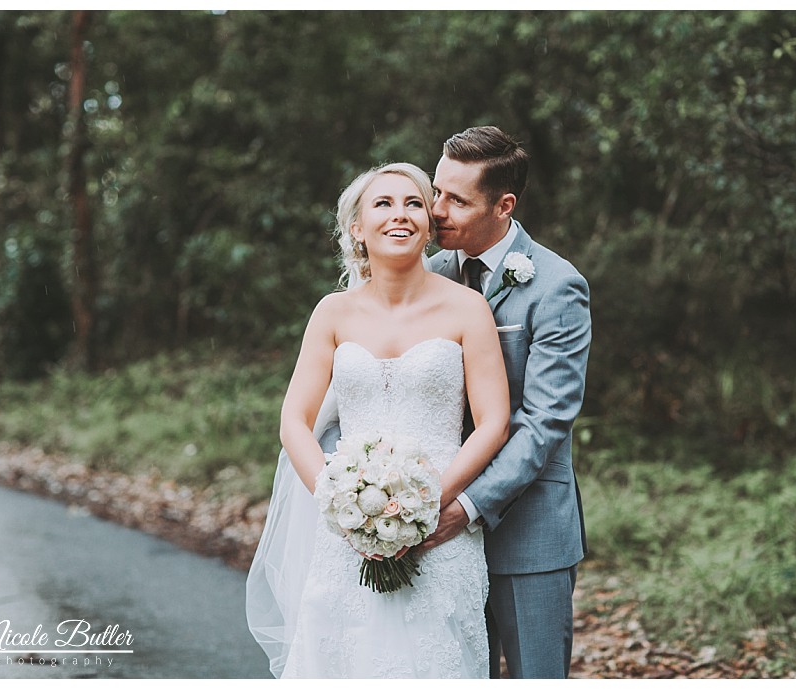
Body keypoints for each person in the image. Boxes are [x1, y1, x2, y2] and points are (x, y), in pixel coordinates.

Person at [245, 162, 510, 678]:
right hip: (347, 534)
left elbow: (494, 422)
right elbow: (294, 421)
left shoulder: (468, 309)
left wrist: (427, 505)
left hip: (440, 530)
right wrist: (340, 505)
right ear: (357, 228)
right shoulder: (332, 313)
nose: (400, 215)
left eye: (413, 204)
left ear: (429, 226)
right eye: (383, 204)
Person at [423, 125, 592, 679]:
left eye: (457, 200)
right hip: (433, 533)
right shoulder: (428, 276)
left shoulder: (556, 285)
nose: (436, 210)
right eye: (436, 191)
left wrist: (464, 508)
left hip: (528, 531)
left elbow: (544, 423)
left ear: (504, 206)